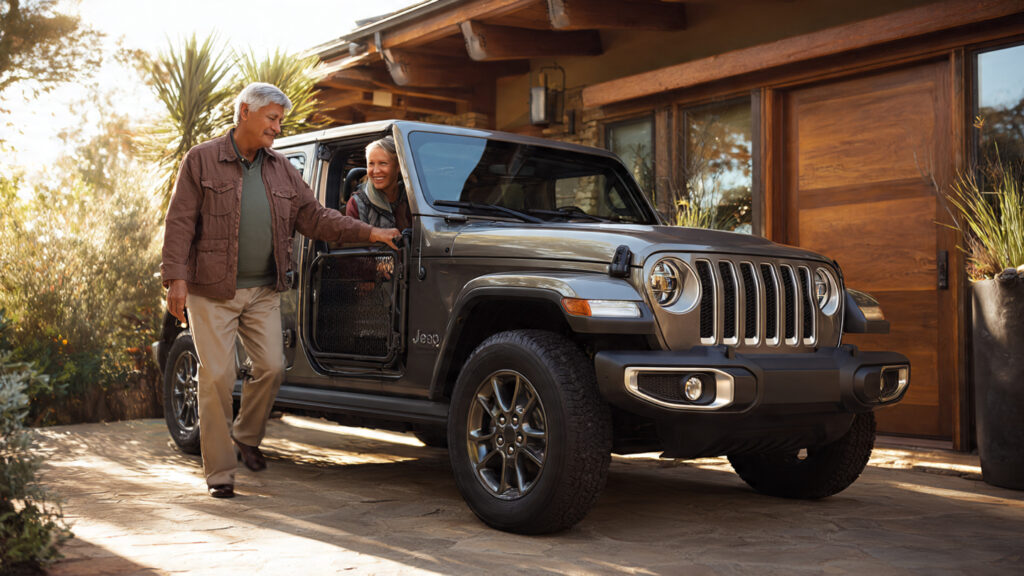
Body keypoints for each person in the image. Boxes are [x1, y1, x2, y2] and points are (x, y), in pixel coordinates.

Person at [161, 82, 400, 499]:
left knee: (272, 367)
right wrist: (175, 279)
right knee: (217, 376)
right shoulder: (201, 160)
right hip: (211, 291)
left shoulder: (281, 168)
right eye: (271, 118)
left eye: (279, 120)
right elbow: (179, 222)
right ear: (244, 113)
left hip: (262, 291)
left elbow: (316, 217)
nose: (276, 127)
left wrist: (371, 232)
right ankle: (220, 473)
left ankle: (246, 435)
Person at [345, 136, 412, 230]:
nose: (375, 171)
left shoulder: (412, 197)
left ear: (398, 167)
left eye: (383, 163)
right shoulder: (357, 204)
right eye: (371, 164)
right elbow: (356, 243)